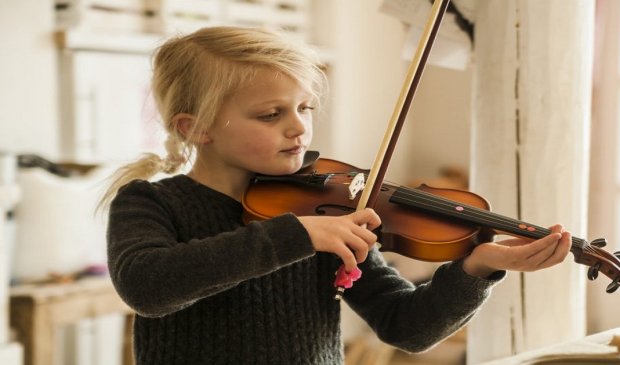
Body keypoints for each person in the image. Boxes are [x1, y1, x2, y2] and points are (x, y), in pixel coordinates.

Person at [101, 26, 572, 365]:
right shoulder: (150, 203)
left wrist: (478, 267)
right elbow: (148, 288)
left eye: (304, 107)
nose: (299, 126)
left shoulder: (323, 213)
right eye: (270, 114)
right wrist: (296, 236)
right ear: (195, 127)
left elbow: (407, 327)